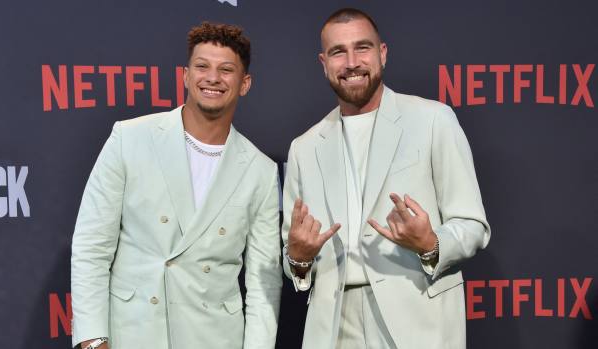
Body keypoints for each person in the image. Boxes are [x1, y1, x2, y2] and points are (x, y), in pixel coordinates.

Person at [282, 8, 490, 349]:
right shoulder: (305, 147)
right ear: (323, 62)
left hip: (418, 317)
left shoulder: (433, 120)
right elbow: (292, 256)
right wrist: (299, 259)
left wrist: (430, 244)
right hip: (333, 325)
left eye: (362, 48)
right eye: (338, 52)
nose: (351, 62)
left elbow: (472, 225)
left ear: (382, 54)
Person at [71, 22, 282, 349]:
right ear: (185, 75)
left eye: (226, 70)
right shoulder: (130, 138)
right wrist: (93, 339)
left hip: (213, 337)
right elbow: (91, 246)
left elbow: (262, 281)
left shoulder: (261, 171)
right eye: (202, 66)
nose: (212, 78)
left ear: (245, 83)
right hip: (134, 332)